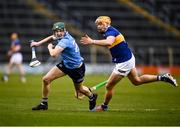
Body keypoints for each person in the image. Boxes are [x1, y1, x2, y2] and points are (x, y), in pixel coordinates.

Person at [80, 16, 178, 112]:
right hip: (127, 58)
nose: (98, 26)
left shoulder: (111, 32)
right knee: (136, 81)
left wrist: (92, 41)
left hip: (124, 62)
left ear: (107, 24)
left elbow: (109, 42)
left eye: (100, 24)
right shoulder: (107, 32)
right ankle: (163, 77)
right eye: (97, 24)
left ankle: (104, 106)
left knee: (109, 86)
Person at [31, 22, 97, 111]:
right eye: (56, 31)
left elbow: (53, 54)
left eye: (60, 31)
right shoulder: (59, 36)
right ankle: (44, 103)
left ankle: (92, 96)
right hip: (66, 64)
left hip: (76, 68)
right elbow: (51, 37)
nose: (58, 33)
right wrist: (38, 43)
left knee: (80, 90)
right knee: (46, 79)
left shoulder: (65, 40)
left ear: (64, 30)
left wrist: (50, 47)